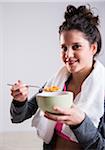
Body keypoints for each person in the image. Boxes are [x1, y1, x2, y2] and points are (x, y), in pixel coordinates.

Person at [10, 4, 105, 150]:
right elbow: (18, 118)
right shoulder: (56, 83)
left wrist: (81, 123)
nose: (68, 55)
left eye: (76, 46)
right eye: (63, 47)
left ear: (93, 48)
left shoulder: (102, 91)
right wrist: (20, 101)